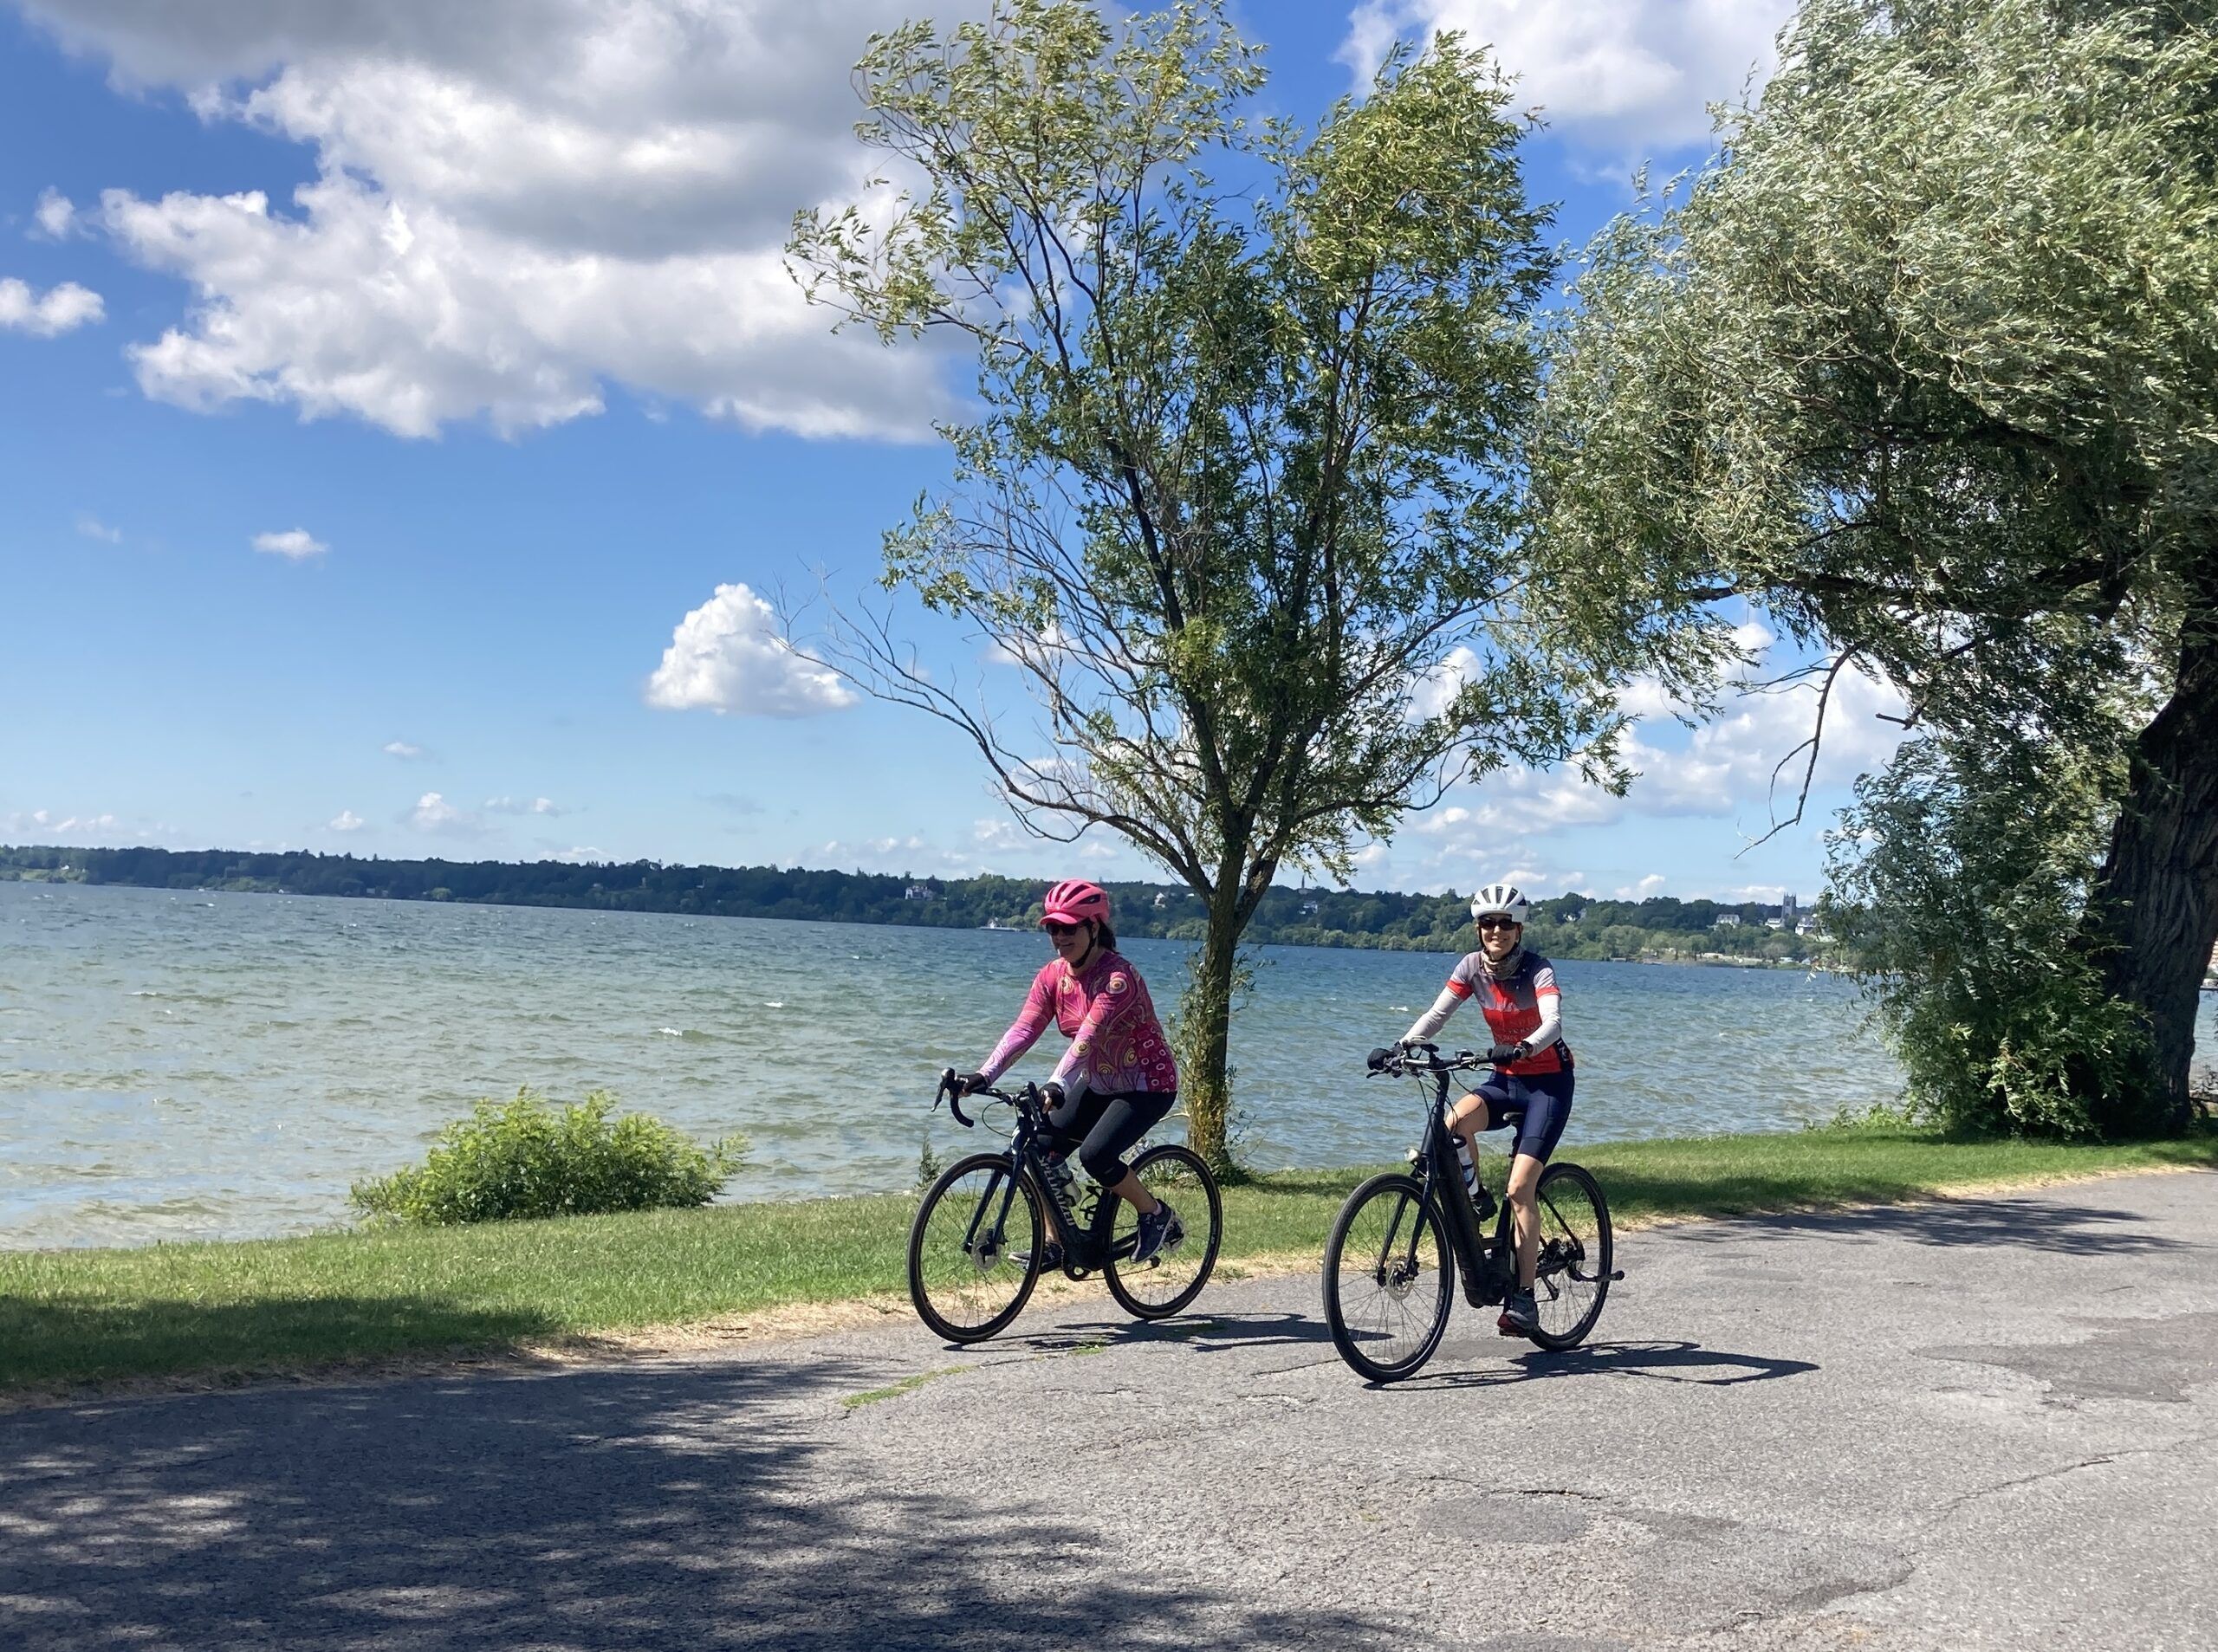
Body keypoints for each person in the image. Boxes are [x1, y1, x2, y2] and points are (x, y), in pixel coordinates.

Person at [955, 879, 1184, 1265]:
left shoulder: (1118, 979)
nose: (1060, 937)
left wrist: (1058, 1082)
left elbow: (1088, 1039)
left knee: (1096, 1156)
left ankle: (1155, 1214)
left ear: (1094, 928)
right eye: (1052, 928)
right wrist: (984, 1074)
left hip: (1148, 1084)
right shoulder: (1052, 977)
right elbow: (1025, 1028)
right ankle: (1056, 1244)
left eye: (1070, 927)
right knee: (1040, 1149)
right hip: (1098, 1082)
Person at [1394, 881, 1573, 1338]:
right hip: (1505, 1079)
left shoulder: (1538, 969)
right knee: (1450, 1127)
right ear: (1478, 929)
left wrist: (1527, 1046)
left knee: (1520, 1190)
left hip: (1547, 1087)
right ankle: (1475, 1200)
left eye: (1506, 924)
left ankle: (1525, 1299)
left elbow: (1553, 1021)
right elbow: (1438, 1014)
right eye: (1488, 923)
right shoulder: (1472, 967)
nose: (1497, 930)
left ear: (1519, 929)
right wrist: (1402, 1046)